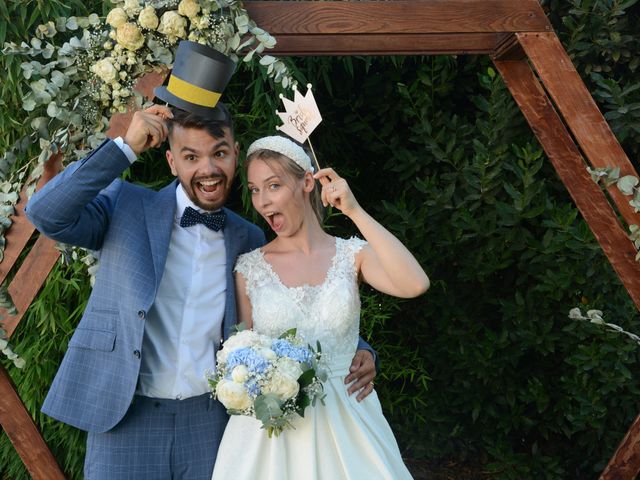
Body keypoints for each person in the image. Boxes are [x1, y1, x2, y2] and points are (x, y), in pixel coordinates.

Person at [25, 44, 378, 478]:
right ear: (171, 161)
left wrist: (355, 348)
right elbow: (46, 213)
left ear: (235, 153)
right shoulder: (125, 207)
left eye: (219, 153)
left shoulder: (248, 237)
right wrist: (124, 148)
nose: (207, 169)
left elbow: (287, 303)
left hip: (212, 424)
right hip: (125, 421)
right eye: (191, 157)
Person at [211, 135, 430, 479]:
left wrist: (354, 212)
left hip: (351, 425)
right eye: (254, 190)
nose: (263, 201)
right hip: (275, 440)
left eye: (273, 186)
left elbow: (415, 283)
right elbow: (242, 352)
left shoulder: (351, 256)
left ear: (307, 182)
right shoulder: (248, 269)